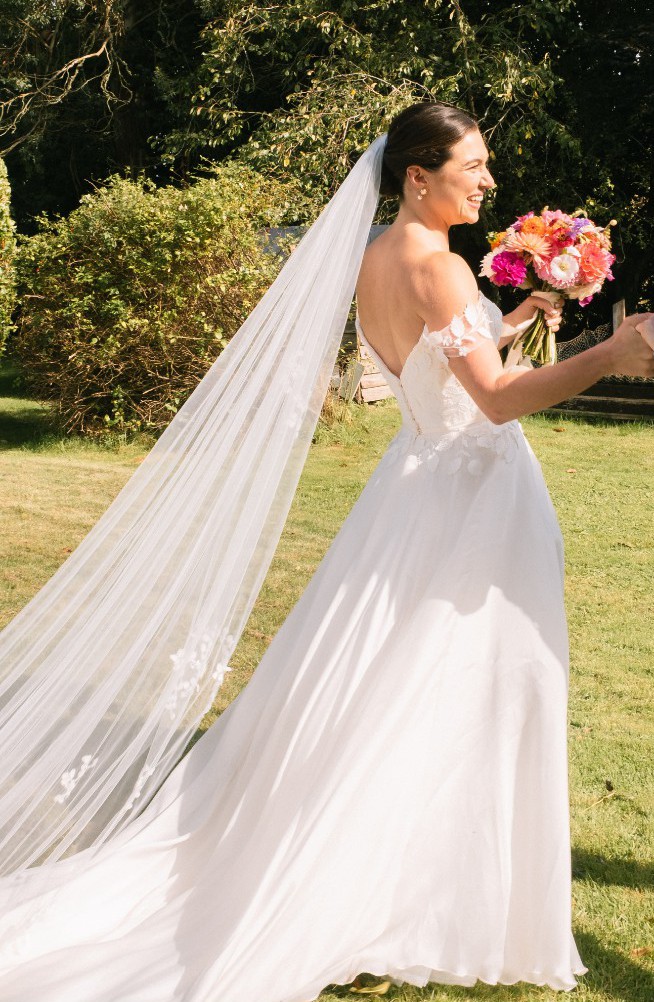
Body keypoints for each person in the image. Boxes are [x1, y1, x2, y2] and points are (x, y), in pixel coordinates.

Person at [0, 101, 652, 1001]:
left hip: (415, 488)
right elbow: (497, 402)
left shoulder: (378, 255)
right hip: (474, 502)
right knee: (479, 683)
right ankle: (395, 893)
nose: (489, 181)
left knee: (398, 683)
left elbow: (438, 364)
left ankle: (404, 879)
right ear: (419, 176)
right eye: (474, 166)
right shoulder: (442, 266)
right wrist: (609, 355)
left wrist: (512, 321)